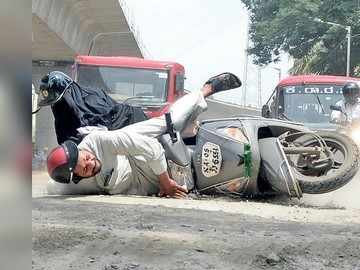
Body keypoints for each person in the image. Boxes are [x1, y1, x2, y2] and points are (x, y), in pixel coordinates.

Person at [46, 73, 242, 198]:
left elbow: (150, 147)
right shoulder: (70, 185)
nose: (90, 163)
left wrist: (165, 182)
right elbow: (52, 186)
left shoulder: (95, 141)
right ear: (75, 177)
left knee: (172, 121)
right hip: (138, 179)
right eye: (85, 169)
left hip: (130, 139)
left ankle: (206, 89)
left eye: (86, 158)